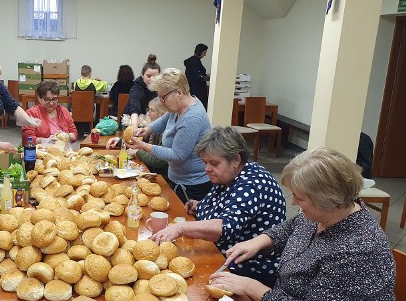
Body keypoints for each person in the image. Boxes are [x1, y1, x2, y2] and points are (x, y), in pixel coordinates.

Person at [210, 147, 396, 300]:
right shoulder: (324, 214)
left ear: (328, 200)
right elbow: (292, 226)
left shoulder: (357, 252)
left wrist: (252, 287)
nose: (293, 203)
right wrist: (259, 241)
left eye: (300, 198)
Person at [150, 126, 286, 287]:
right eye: (205, 162)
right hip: (220, 254)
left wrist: (180, 228)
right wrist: (200, 206)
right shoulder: (229, 175)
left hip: (246, 268)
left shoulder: (253, 184)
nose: (207, 169)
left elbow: (226, 227)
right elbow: (224, 206)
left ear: (235, 160)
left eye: (214, 163)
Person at [127, 68, 212, 203]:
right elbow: (165, 119)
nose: (161, 101)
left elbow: (177, 156)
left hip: (191, 186)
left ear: (179, 93)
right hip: (178, 179)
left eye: (163, 97)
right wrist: (148, 129)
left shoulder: (192, 118)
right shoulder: (179, 107)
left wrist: (144, 146)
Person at [106, 98, 168, 180]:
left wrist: (137, 152)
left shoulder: (166, 134)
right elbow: (139, 143)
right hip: (152, 173)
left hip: (163, 179)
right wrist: (119, 141)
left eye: (152, 110)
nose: (148, 113)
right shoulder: (152, 130)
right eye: (148, 109)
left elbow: (157, 161)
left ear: (162, 114)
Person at [22, 80, 78, 145]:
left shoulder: (63, 111)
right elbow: (28, 138)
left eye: (54, 99)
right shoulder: (32, 113)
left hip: (62, 151)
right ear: (39, 99)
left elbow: (74, 134)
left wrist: (66, 136)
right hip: (40, 152)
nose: (51, 103)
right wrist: (45, 141)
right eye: (47, 99)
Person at [122, 54, 160, 128]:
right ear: (142, 75)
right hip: (135, 121)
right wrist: (135, 129)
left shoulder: (160, 88)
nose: (152, 79)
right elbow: (134, 109)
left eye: (155, 76)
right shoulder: (137, 89)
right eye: (148, 76)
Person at [184, 43, 210, 109]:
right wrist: (208, 78)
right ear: (200, 52)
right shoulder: (194, 62)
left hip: (192, 90)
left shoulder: (192, 62)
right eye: (204, 52)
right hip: (198, 92)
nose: (205, 55)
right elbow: (198, 77)